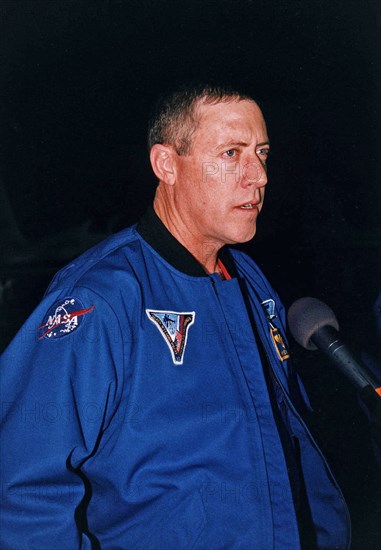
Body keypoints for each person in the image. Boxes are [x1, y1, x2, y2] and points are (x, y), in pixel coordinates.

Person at [0, 84, 351, 549]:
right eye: (231, 153)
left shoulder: (246, 279)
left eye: (261, 152)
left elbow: (287, 441)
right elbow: (22, 493)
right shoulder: (100, 298)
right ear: (166, 165)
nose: (259, 176)